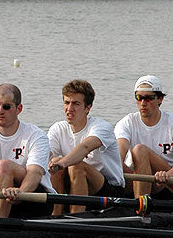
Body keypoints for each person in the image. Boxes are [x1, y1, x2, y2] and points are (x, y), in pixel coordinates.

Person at [0, 83, 54, 218]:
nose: (0, 111)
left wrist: (20, 193)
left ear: (19, 109)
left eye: (6, 107)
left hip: (31, 197)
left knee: (4, 166)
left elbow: (35, 173)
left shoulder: (36, 135)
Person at [46, 79, 125, 214]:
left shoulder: (101, 127)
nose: (69, 109)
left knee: (76, 166)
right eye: (66, 102)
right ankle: (56, 214)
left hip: (109, 188)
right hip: (74, 183)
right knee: (54, 162)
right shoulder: (57, 128)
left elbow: (85, 147)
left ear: (88, 108)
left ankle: (77, 215)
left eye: (76, 104)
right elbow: (47, 156)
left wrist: (61, 163)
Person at [115, 75, 173, 198]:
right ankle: (140, 200)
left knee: (139, 150)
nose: (143, 103)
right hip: (139, 177)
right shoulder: (127, 122)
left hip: (170, 182)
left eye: (148, 98)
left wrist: (168, 175)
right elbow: (118, 155)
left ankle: (141, 207)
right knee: (112, 160)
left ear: (160, 99)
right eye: (139, 98)